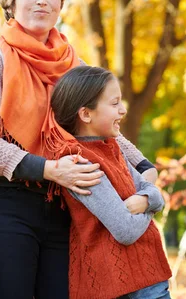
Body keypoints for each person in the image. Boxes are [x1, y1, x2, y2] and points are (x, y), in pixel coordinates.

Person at [0, 0, 157, 299]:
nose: (42, 1)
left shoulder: (77, 71)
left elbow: (103, 129)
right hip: (9, 204)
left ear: (61, 5)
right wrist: (49, 169)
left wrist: (145, 168)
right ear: (11, 3)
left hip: (71, 209)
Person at [49, 65, 172, 299]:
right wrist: (151, 203)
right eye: (115, 103)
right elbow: (124, 230)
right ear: (86, 114)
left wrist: (145, 201)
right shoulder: (80, 164)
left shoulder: (113, 148)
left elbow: (155, 195)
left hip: (149, 278)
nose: (123, 110)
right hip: (115, 285)